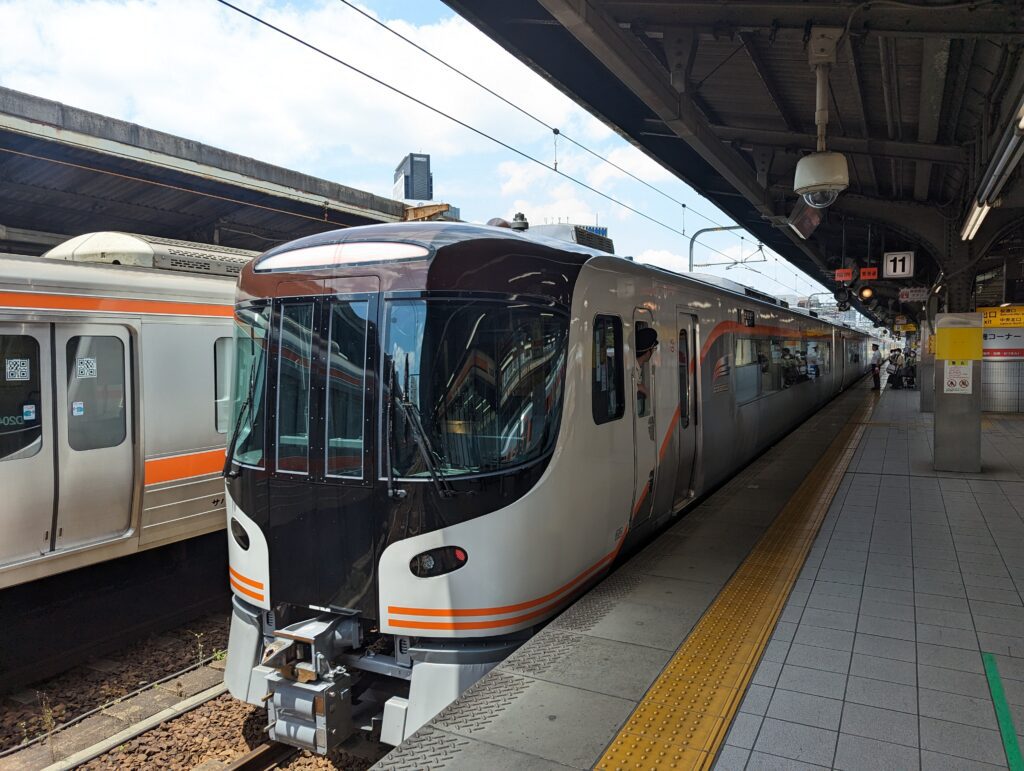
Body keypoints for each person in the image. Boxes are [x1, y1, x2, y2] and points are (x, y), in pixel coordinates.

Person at [635, 327, 658, 407]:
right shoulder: (633, 370)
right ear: (647, 352)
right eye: (653, 349)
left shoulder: (636, 367)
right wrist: (639, 388)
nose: (653, 352)